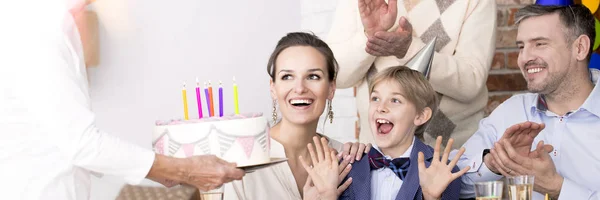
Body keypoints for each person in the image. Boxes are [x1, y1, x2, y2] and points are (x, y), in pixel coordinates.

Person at [0, 1, 246, 199]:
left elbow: (68, 142)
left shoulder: (63, 24)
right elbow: (83, 145)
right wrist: (184, 169)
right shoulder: (33, 27)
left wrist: (162, 171)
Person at [457, 3, 600, 200]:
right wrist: (494, 162)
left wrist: (557, 188)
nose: (525, 58)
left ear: (580, 48)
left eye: (540, 44)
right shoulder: (511, 112)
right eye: (521, 47)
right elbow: (450, 183)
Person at [327, 0, 497, 148]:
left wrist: (410, 51)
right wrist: (370, 36)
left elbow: (471, 82)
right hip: (376, 157)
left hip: (451, 157)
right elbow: (337, 76)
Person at [223, 32, 370, 200]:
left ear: (331, 88)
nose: (299, 88)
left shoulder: (345, 158)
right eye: (287, 76)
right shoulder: (241, 159)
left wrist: (364, 159)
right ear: (273, 88)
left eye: (313, 76)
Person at [301, 66, 470, 200]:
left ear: (420, 116)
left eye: (395, 100)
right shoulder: (347, 166)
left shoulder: (442, 170)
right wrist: (327, 197)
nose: (381, 107)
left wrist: (432, 198)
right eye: (375, 98)